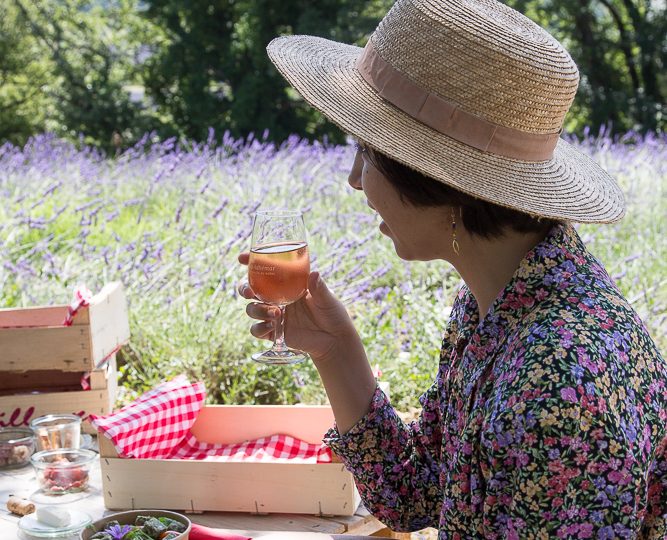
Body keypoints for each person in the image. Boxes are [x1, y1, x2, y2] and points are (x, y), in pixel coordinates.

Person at [239, 0, 667, 537]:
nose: (353, 179)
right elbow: (415, 494)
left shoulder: (557, 387)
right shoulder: (496, 304)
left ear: (441, 184)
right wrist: (334, 348)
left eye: (367, 153)